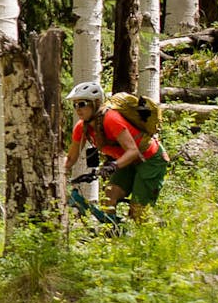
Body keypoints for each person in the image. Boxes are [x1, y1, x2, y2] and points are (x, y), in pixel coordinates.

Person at [64, 80, 169, 224]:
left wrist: (112, 166)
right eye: (75, 105)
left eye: (82, 104)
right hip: (126, 162)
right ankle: (112, 233)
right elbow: (70, 159)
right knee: (110, 194)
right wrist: (56, 172)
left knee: (139, 213)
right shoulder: (81, 128)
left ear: (95, 103)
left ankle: (161, 231)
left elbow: (133, 151)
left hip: (150, 158)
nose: (78, 109)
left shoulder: (111, 119)